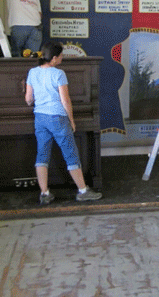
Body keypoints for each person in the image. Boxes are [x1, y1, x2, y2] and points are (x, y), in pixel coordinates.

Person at [25, 41, 102, 204]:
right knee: (71, 154)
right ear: (54, 58)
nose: (62, 58)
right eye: (61, 56)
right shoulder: (58, 74)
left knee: (42, 155)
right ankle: (82, 191)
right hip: (57, 117)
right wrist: (71, 120)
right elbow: (65, 100)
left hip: (39, 117)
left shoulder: (32, 72)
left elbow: (28, 99)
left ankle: (45, 193)